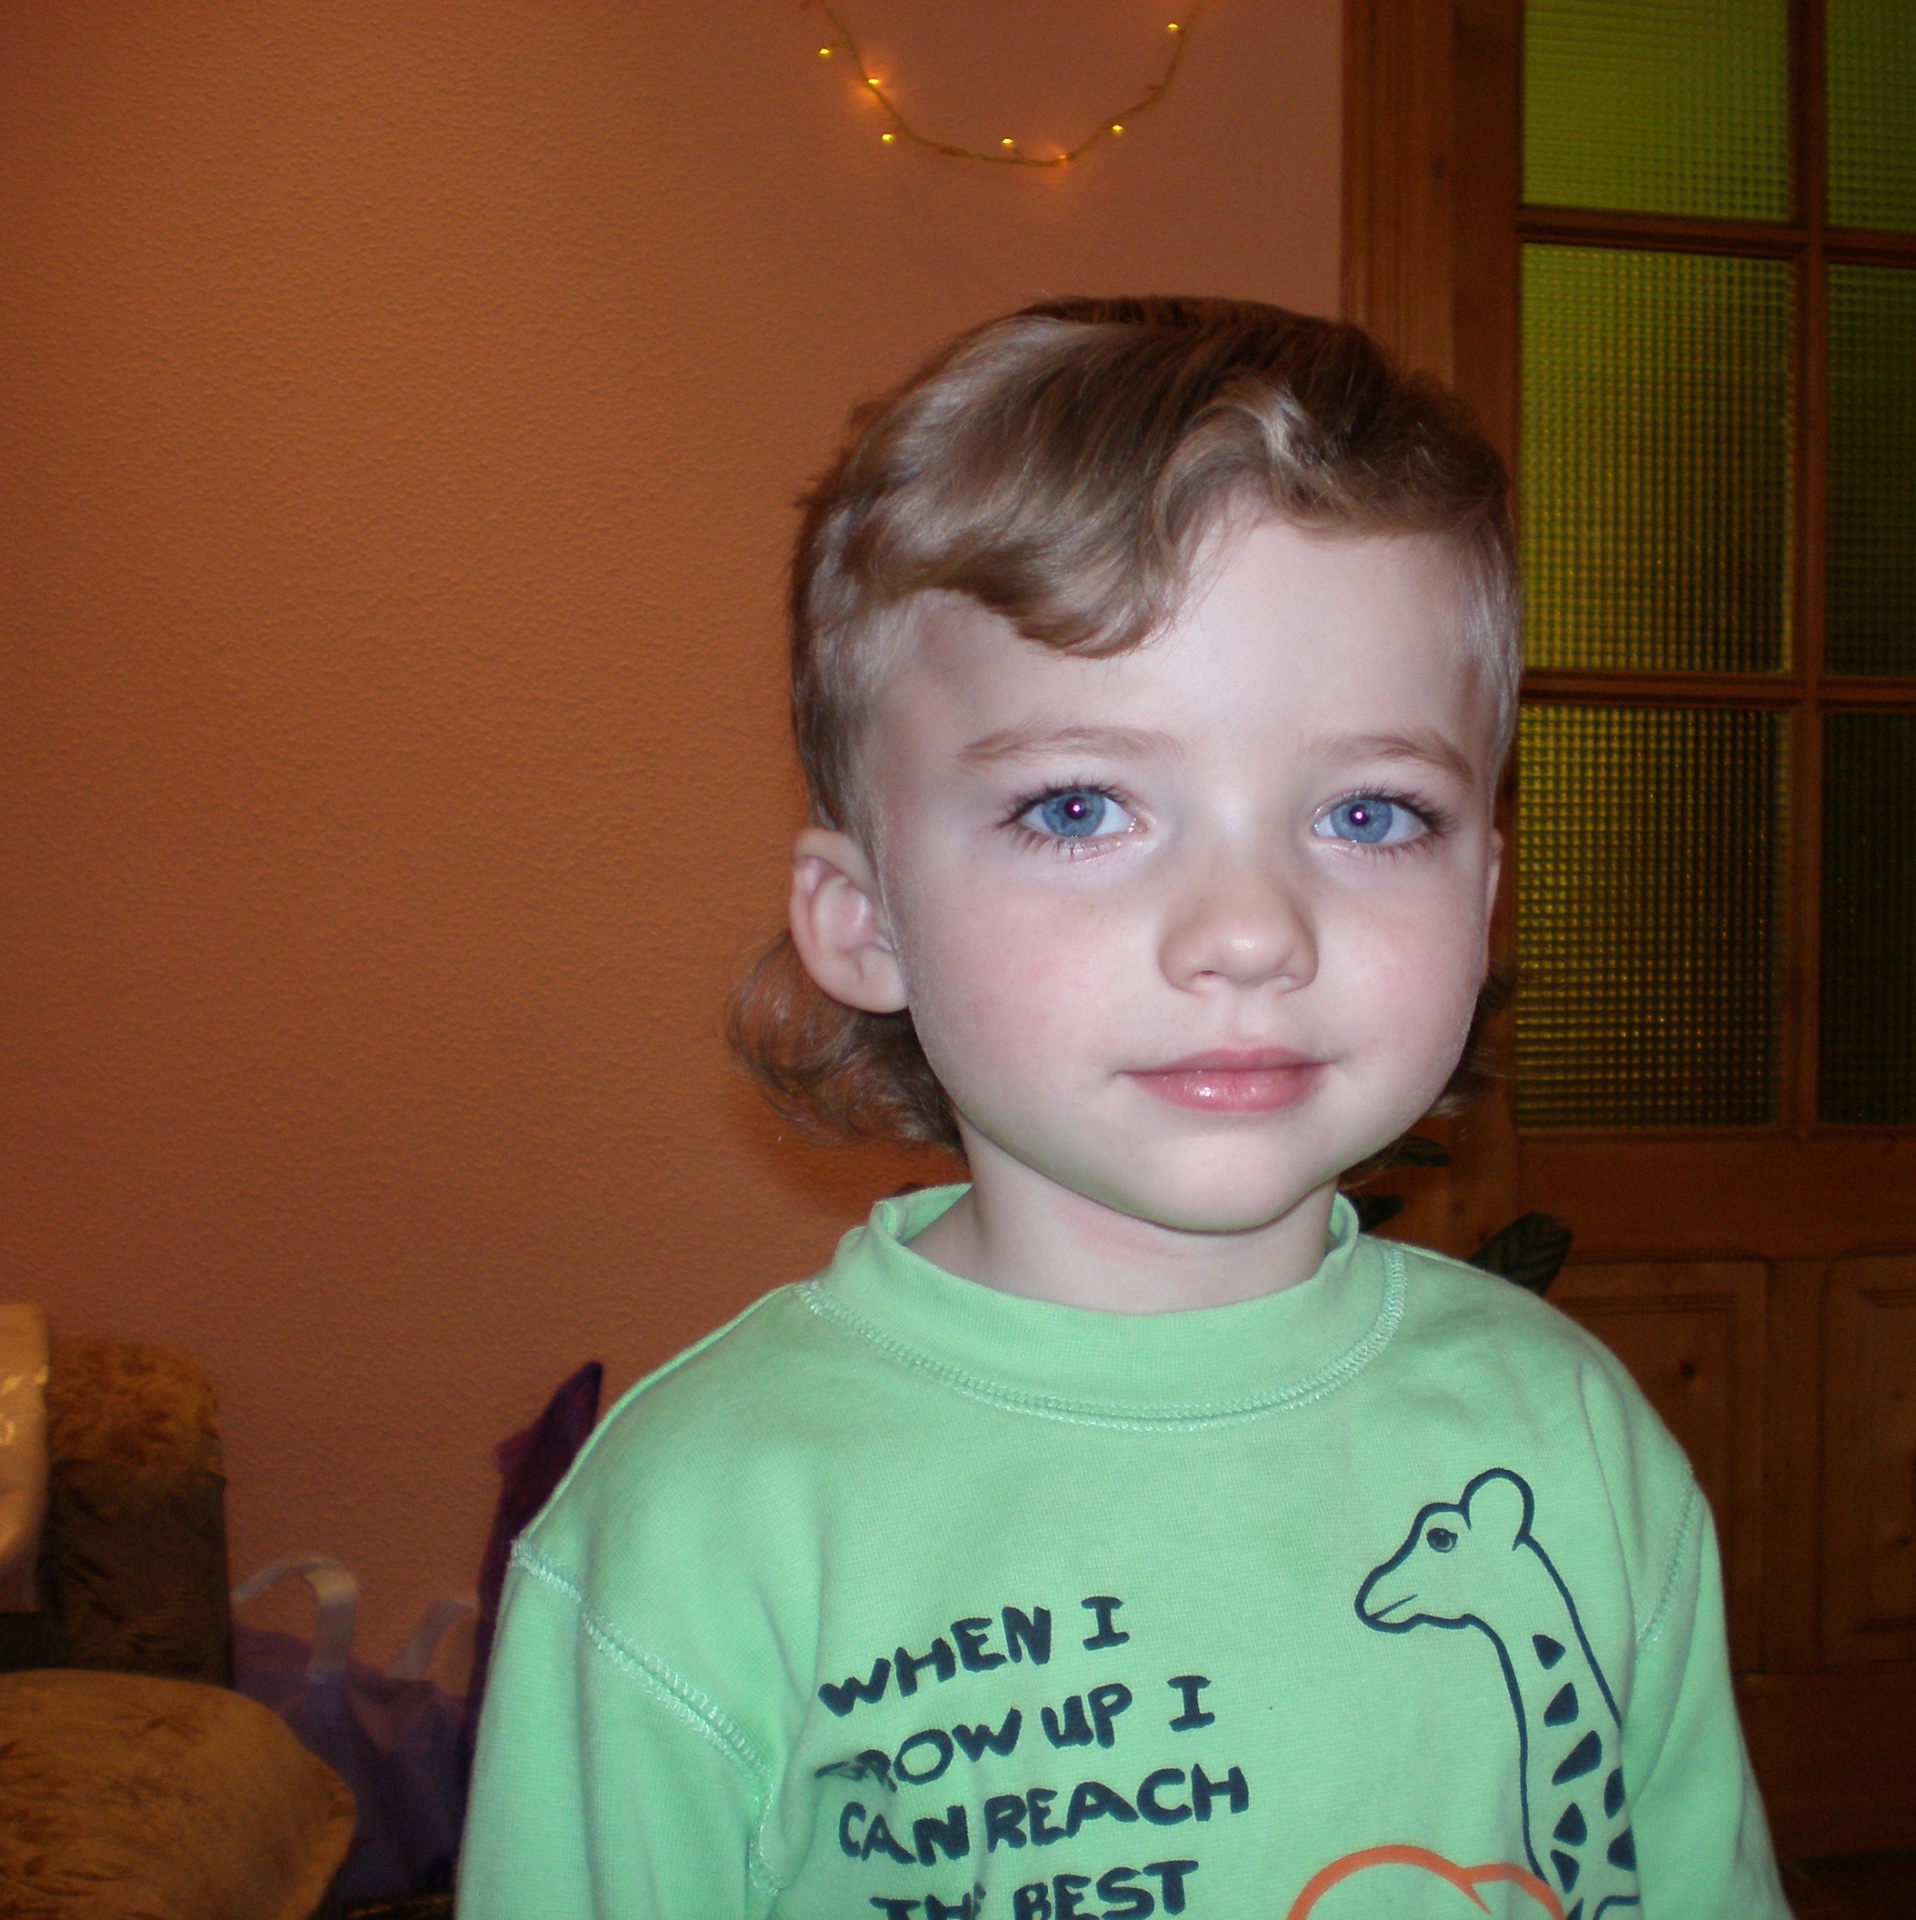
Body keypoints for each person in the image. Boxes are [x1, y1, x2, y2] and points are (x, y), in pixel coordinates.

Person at [458, 297, 1790, 1920]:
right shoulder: (696, 1529)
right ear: (865, 923)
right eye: (1082, 808)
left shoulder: (1568, 1435)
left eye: (1373, 814)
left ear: (1485, 889)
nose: (1251, 931)